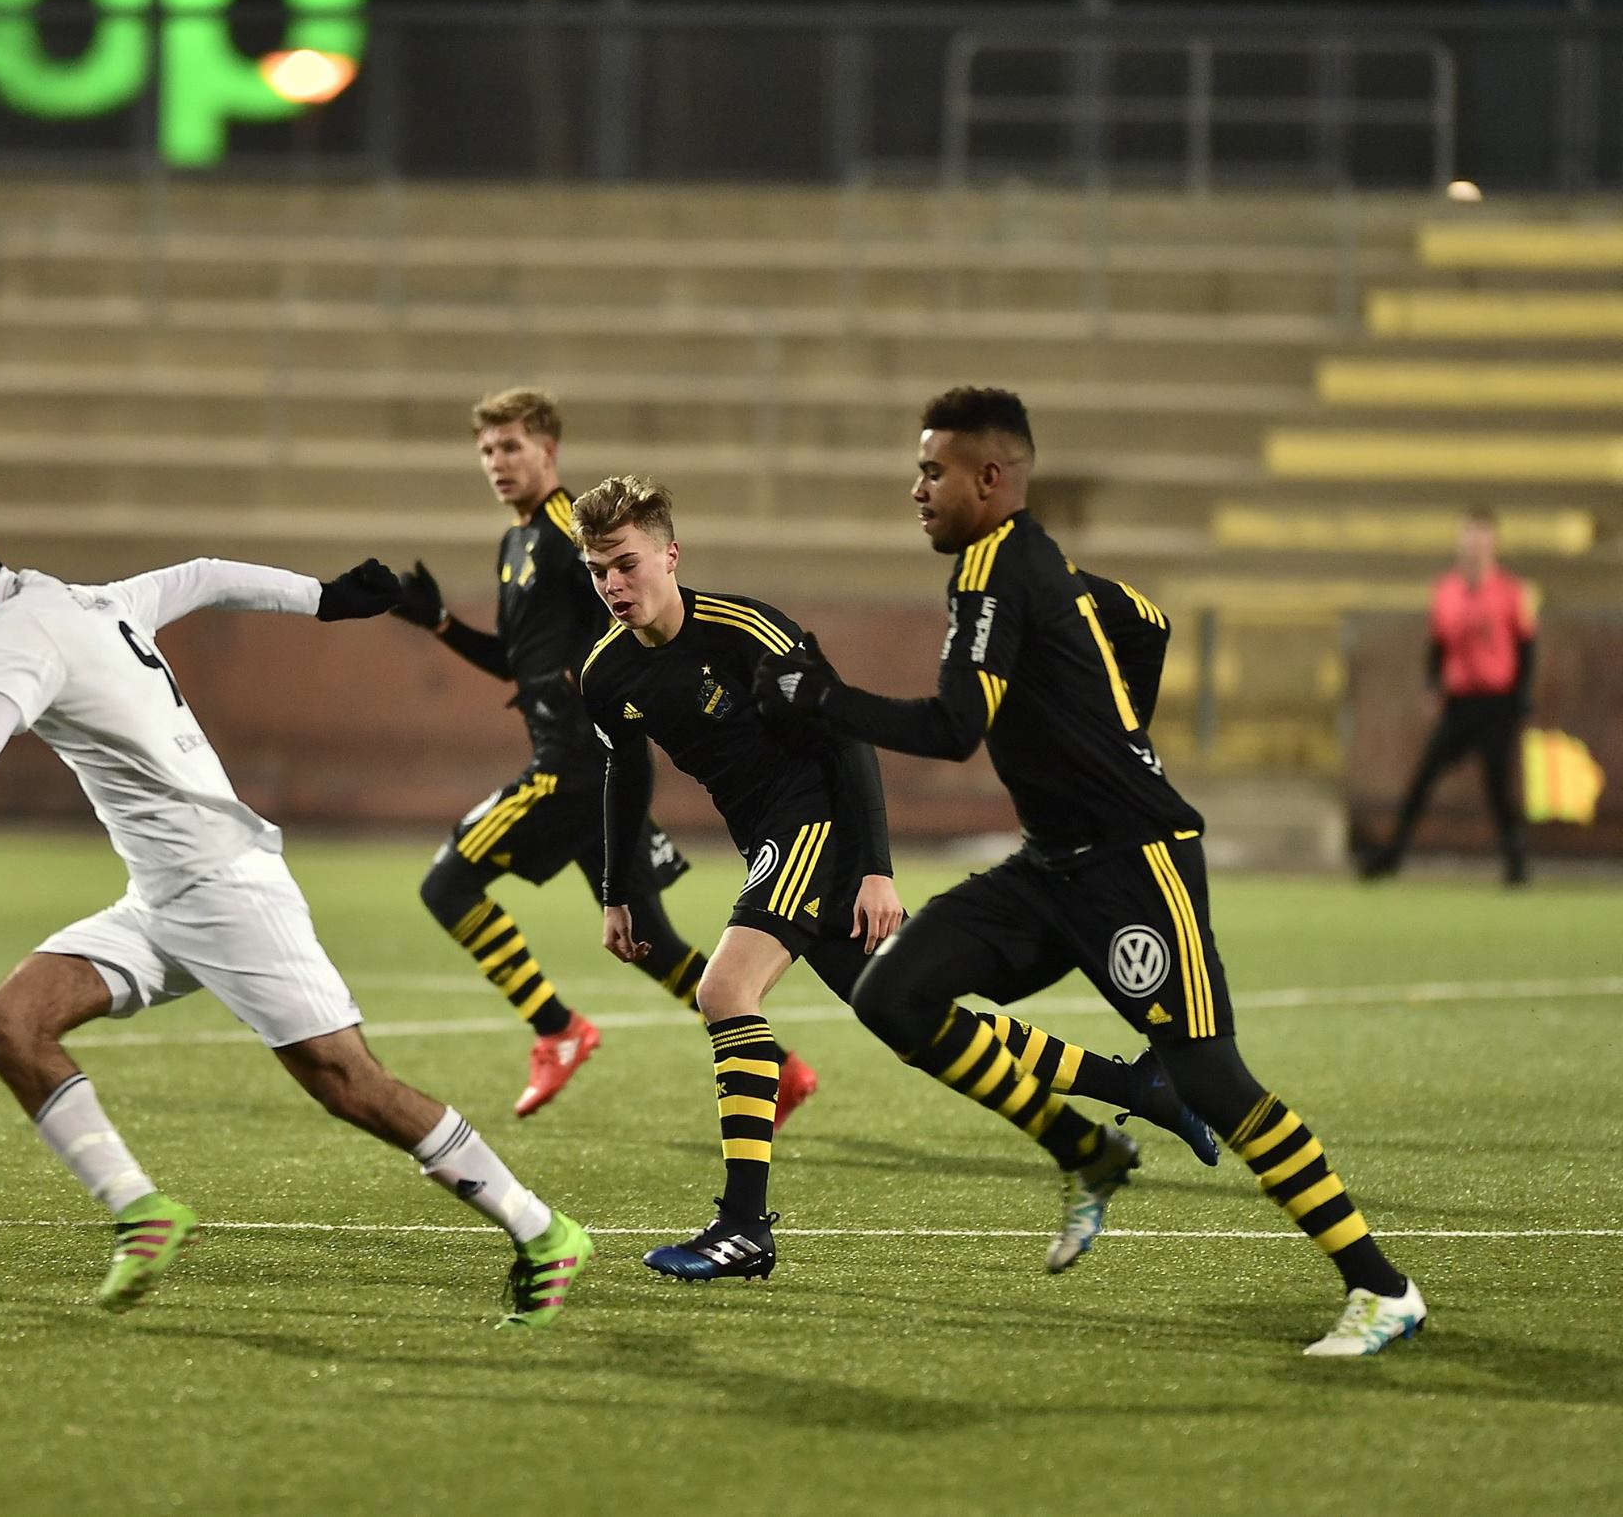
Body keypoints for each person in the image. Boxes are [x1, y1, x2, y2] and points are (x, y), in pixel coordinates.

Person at [0, 491, 592, 1328]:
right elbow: (205, 574)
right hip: (158, 899)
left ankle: (541, 1228)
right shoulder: (80, 600)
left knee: (351, 1085)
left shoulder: (21, 633)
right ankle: (141, 1211)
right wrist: (324, 598)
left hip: (230, 892)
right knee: (10, 1022)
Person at [753, 388, 1425, 1356]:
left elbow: (950, 731)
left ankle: (1380, 1286)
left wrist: (822, 699)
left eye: (930, 470)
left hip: (1132, 864)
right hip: (1049, 867)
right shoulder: (1042, 566)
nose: (915, 490)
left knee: (1212, 1077)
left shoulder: (996, 571)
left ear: (991, 478)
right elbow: (1143, 621)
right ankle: (1086, 1146)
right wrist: (1109, 726)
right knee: (892, 990)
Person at [572, 475, 1214, 1285]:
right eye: (597, 571)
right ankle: (1138, 1084)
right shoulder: (606, 673)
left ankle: (742, 1227)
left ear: (670, 554)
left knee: (724, 991)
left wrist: (877, 868)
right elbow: (624, 775)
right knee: (918, 1026)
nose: (612, 585)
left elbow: (845, 737)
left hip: (816, 827)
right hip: (772, 840)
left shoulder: (748, 631)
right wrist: (617, 888)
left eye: (625, 564)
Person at [390, 387, 818, 1123]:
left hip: (573, 763)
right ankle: (776, 1070)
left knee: (445, 885)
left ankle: (556, 1028)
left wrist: (609, 693)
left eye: (512, 446)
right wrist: (437, 621)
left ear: (548, 451)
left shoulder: (567, 531)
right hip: (592, 769)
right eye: (488, 449)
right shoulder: (515, 541)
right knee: (648, 941)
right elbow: (519, 662)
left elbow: (625, 630)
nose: (498, 461)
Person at [1359, 506, 1536, 885]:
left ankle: (1516, 860)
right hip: (1460, 703)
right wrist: (1432, 684)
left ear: (1493, 544)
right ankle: (1391, 856)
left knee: (1498, 786)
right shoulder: (1446, 590)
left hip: (1496, 702)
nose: (1473, 547)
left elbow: (1525, 647)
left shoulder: (1510, 591)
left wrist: (1521, 695)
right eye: (1468, 537)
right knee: (1423, 779)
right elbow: (1438, 646)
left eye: (1481, 538)